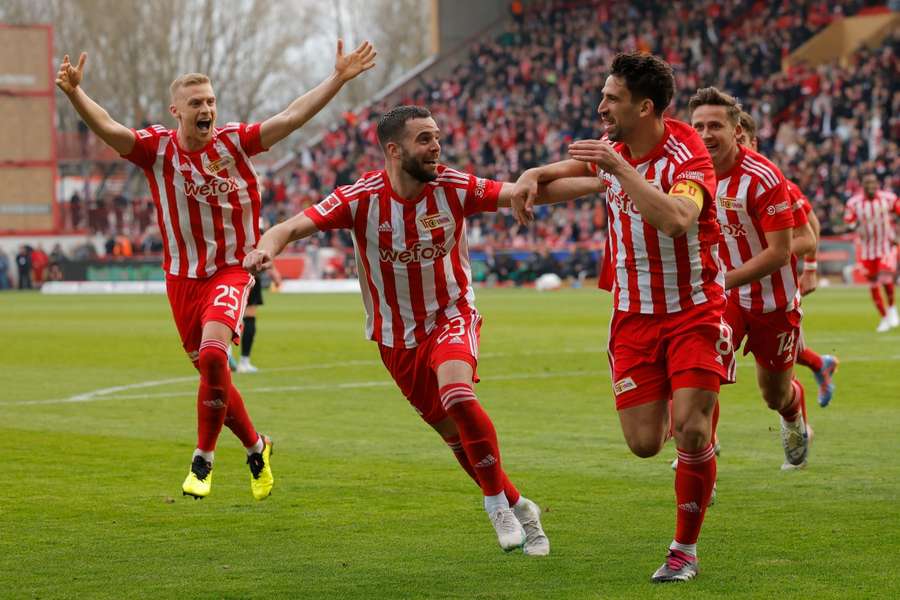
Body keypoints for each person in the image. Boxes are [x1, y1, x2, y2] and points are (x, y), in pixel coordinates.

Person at [245, 105, 602, 554]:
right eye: (425, 140)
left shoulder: (454, 186)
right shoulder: (360, 198)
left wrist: (607, 180)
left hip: (451, 315)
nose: (436, 147)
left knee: (457, 395)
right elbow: (292, 226)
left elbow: (527, 192)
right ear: (394, 150)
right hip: (396, 338)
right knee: (453, 434)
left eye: (437, 137)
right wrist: (265, 249)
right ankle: (520, 507)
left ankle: (494, 504)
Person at [56, 40, 377, 500]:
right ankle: (256, 446)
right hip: (182, 280)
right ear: (176, 111)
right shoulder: (157, 150)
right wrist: (74, 95)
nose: (206, 108)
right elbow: (109, 128)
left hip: (232, 270)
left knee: (213, 357)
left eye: (210, 101)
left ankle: (202, 461)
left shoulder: (235, 142)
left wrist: (339, 78)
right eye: (196, 103)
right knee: (214, 377)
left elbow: (290, 117)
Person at [511, 53, 731, 582]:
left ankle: (684, 551)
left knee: (692, 433)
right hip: (633, 316)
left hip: (694, 309)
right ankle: (694, 438)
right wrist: (531, 175)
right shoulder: (613, 151)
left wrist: (619, 168)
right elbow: (567, 175)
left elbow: (679, 220)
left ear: (645, 106)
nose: (600, 106)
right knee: (643, 444)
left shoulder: (687, 153)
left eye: (611, 98)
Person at [690, 87, 814, 473]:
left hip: (774, 302)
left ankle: (794, 418)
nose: (706, 134)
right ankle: (698, 456)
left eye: (715, 126)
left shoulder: (764, 177)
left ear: (735, 131)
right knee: (703, 372)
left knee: (774, 394)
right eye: (699, 127)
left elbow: (787, 247)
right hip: (724, 298)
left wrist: (722, 278)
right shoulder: (692, 173)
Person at [737, 112, 839, 408]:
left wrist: (810, 268)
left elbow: (811, 227)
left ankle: (797, 428)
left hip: (776, 288)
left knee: (782, 366)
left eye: (742, 140)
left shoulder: (774, 182)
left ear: (753, 142)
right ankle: (701, 444)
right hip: (736, 291)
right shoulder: (715, 178)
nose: (736, 146)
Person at [843, 172, 900, 332]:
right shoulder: (854, 203)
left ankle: (892, 309)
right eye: (868, 183)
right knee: (874, 284)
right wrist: (852, 225)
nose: (871, 186)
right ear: (862, 186)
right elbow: (849, 221)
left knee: (886, 277)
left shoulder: (888, 198)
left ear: (877, 184)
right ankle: (884, 318)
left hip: (886, 245)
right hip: (867, 249)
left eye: (873, 183)